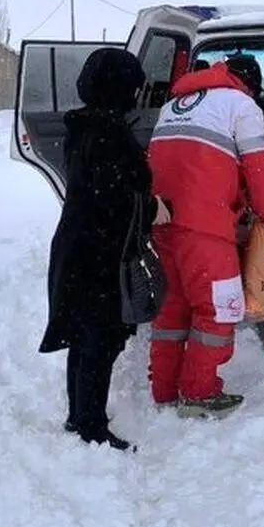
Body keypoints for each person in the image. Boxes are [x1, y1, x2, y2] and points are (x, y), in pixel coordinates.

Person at [39, 47, 168, 451]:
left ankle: (80, 415)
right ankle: (90, 427)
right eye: (133, 84)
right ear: (119, 86)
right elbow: (112, 197)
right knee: (99, 338)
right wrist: (154, 207)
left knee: (84, 336)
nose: (137, 92)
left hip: (80, 245)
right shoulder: (108, 132)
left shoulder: (84, 126)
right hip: (99, 252)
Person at [147, 60, 264, 419]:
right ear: (250, 85)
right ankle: (198, 392)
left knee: (173, 305)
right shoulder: (241, 105)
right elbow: (259, 166)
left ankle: (165, 389)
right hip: (206, 223)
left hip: (162, 220)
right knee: (219, 308)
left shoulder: (173, 105)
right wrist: (263, 215)